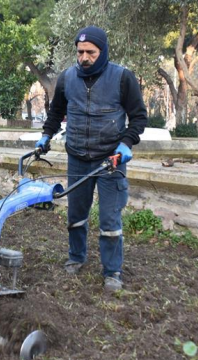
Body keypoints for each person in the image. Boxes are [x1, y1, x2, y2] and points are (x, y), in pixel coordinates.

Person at [36, 26, 148, 292]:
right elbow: (56, 113)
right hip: (77, 156)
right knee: (76, 215)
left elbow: (140, 117)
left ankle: (112, 271)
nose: (84, 57)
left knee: (110, 219)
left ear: (103, 51)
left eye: (91, 52)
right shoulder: (66, 79)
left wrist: (126, 143)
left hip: (111, 160)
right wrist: (46, 136)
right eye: (80, 52)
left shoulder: (122, 78)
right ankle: (76, 257)